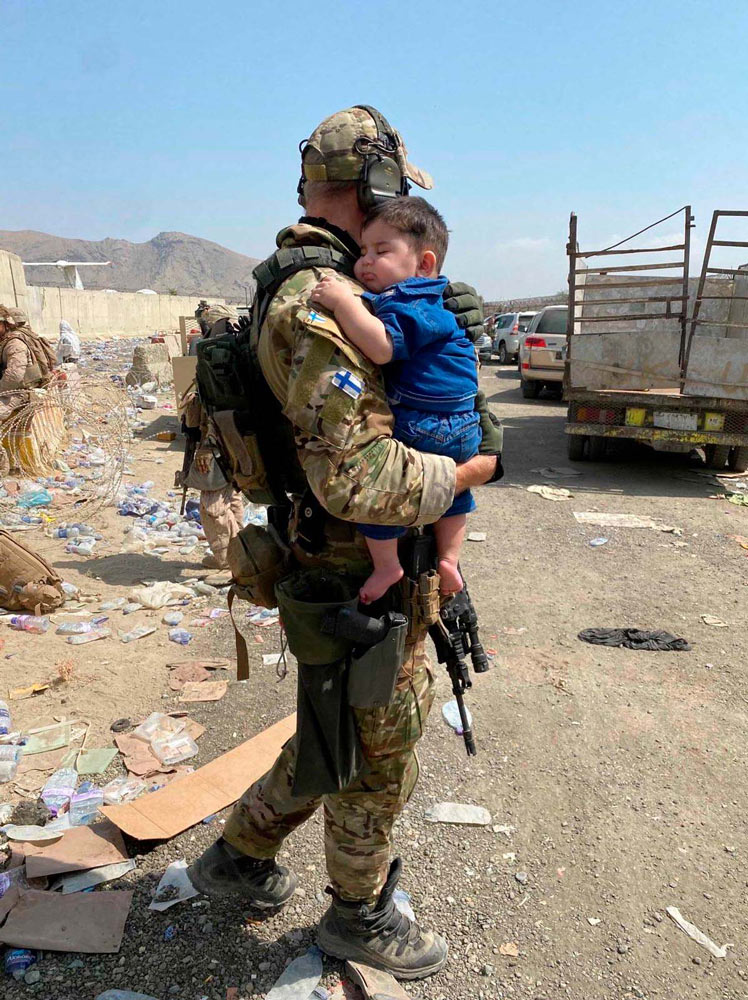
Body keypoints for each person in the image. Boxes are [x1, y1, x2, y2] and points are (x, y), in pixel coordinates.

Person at [187, 106, 499, 980]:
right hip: (352, 562)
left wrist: (445, 345)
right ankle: (357, 915)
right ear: (371, 189)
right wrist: (470, 469)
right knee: (376, 754)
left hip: (352, 558)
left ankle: (237, 859)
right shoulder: (313, 301)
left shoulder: (343, 288)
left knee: (334, 734)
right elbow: (357, 480)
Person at [311, 197, 479, 603]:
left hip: (423, 424)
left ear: (423, 264)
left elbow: (382, 347)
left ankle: (388, 565)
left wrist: (343, 301)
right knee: (458, 492)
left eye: (381, 251)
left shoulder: (412, 301)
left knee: (379, 494)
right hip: (464, 429)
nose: (365, 262)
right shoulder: (435, 302)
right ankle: (450, 559)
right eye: (363, 251)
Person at [180, 303, 245, 569]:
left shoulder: (216, 361)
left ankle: (227, 559)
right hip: (237, 441)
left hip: (216, 441)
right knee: (232, 497)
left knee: (212, 502)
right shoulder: (237, 358)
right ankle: (241, 553)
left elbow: (204, 411)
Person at [0, 305, 56, 419]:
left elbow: (14, 376)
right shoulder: (5, 341)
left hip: (21, 390)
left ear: (6, 324)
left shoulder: (15, 344)